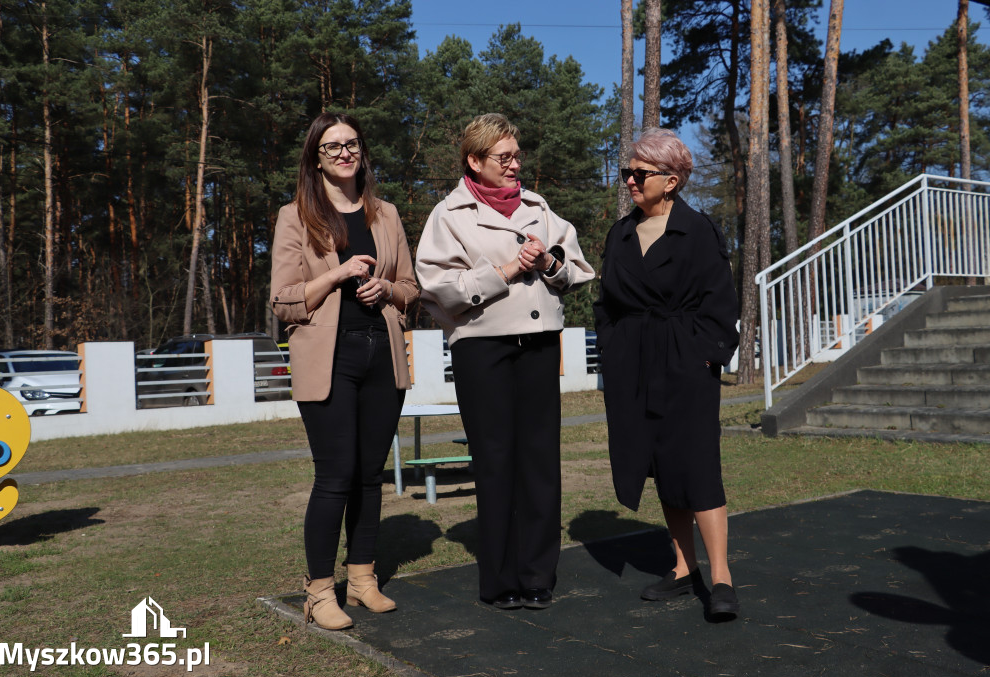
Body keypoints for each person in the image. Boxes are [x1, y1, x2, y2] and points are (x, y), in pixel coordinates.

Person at [416, 113, 595, 610]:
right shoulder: (448, 215)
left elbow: (576, 268)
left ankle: (538, 576)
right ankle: (498, 581)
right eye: (505, 157)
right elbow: (437, 290)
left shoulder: (539, 207)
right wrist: (505, 271)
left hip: (538, 345)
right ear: (475, 161)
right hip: (482, 349)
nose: (516, 165)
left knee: (540, 463)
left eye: (517, 155)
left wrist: (549, 264)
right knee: (495, 463)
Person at [270, 112, 419, 630]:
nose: (343, 154)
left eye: (351, 144)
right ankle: (317, 591)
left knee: (370, 476)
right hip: (329, 359)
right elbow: (284, 302)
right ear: (316, 157)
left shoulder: (387, 215)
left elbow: (412, 290)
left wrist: (389, 289)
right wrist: (337, 273)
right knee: (335, 476)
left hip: (383, 355)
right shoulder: (295, 217)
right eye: (331, 148)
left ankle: (361, 580)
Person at [593, 127, 741, 619]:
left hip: (685, 362)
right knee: (659, 464)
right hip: (632, 364)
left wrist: (705, 357)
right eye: (627, 172)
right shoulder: (620, 233)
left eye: (640, 173)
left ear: (672, 180)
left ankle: (721, 577)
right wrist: (613, 350)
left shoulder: (698, 231)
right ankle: (684, 568)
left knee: (696, 464)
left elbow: (721, 302)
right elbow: (606, 304)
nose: (630, 181)